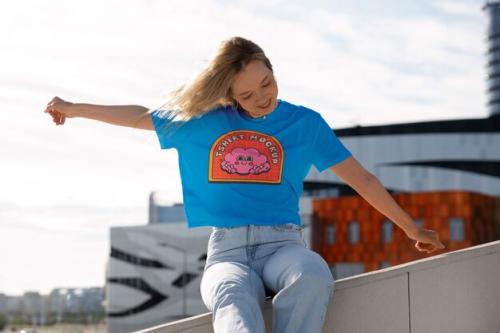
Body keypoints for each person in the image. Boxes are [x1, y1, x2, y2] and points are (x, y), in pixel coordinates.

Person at [44, 36, 445, 333]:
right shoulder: (208, 121)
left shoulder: (304, 124)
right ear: (229, 95)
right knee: (233, 300)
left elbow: (361, 179)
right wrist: (74, 109)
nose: (263, 98)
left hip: (283, 245)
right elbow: (139, 117)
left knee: (313, 275)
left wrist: (412, 229)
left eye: (267, 83)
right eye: (248, 94)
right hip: (228, 253)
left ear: (273, 70)